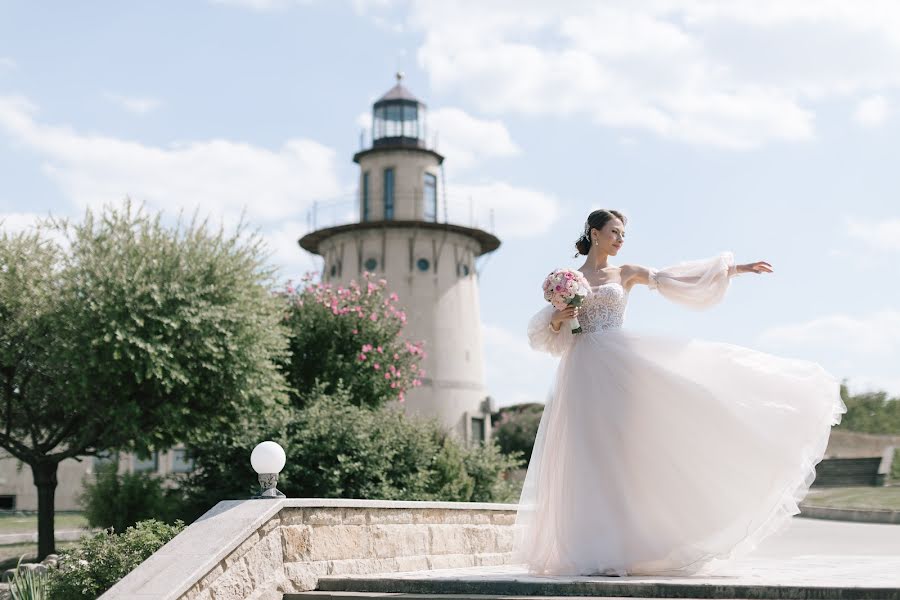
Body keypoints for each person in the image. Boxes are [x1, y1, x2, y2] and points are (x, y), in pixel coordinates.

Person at [512, 209, 847, 577]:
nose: (621, 239)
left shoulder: (626, 273)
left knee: (622, 453)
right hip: (580, 371)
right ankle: (591, 549)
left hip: (618, 367)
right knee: (584, 456)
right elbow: (556, 327)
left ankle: (623, 548)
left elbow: (675, 277)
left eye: (624, 233)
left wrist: (734, 269)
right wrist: (564, 311)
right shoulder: (571, 279)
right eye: (615, 232)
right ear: (594, 233)